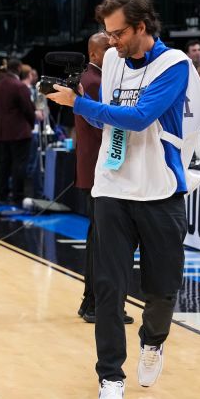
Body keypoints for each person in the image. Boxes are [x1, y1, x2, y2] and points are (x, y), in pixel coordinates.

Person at [47, 0, 200, 399]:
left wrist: (78, 104)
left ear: (141, 27)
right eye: (107, 32)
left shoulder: (175, 65)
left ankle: (153, 343)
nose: (110, 40)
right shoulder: (113, 60)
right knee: (108, 289)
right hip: (112, 188)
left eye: (118, 33)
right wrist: (82, 102)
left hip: (159, 190)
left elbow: (138, 119)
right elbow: (105, 113)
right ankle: (110, 377)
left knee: (162, 289)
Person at [74, 32, 135, 325]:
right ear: (96, 55)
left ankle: (91, 301)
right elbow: (106, 127)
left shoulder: (86, 78)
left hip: (92, 166)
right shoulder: (97, 81)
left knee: (97, 239)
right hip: (103, 168)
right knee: (106, 241)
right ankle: (97, 303)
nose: (114, 50)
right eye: (108, 47)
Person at [0, 58, 35, 203]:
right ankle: (17, 195)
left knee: (4, 164)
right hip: (20, 132)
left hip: (2, 132)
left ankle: (1, 195)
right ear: (18, 68)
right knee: (19, 165)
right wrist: (31, 123)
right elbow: (28, 109)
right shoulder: (19, 86)